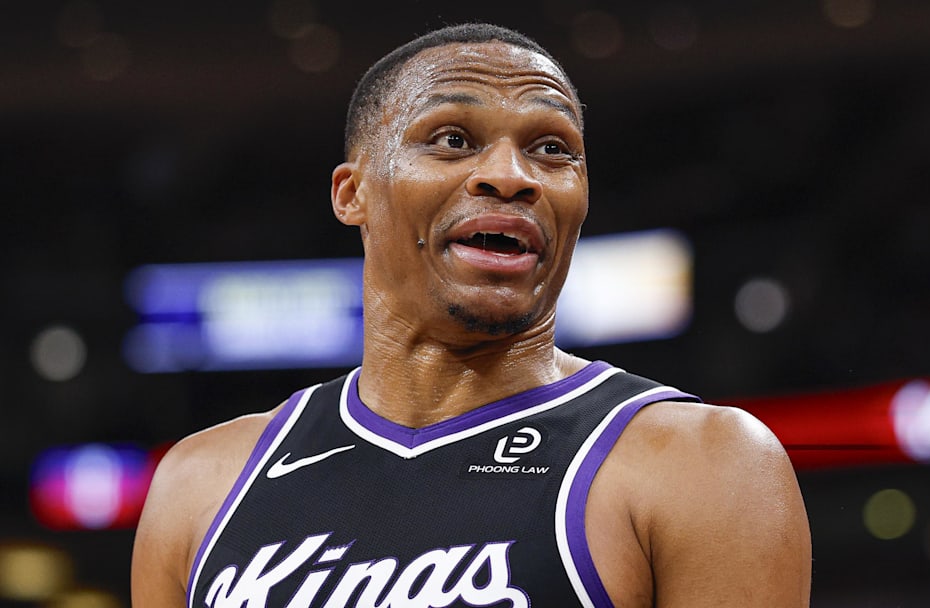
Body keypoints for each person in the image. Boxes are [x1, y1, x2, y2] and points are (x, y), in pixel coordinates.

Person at [131, 22, 811, 607]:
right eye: (453, 139)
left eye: (553, 148)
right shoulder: (203, 482)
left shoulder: (702, 463)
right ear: (353, 192)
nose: (513, 175)